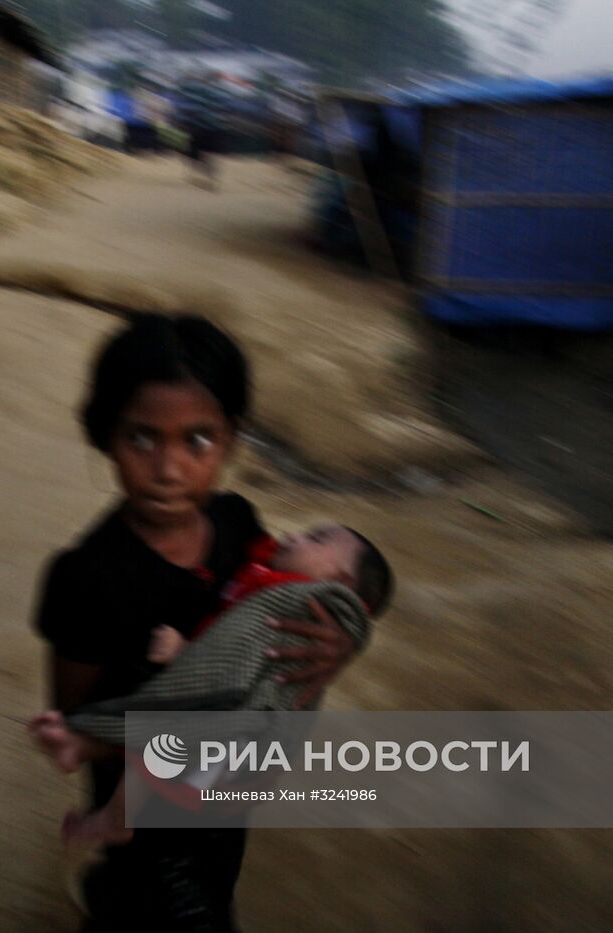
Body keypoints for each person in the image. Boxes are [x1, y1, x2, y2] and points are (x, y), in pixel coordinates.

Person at [33, 313, 363, 931]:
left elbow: (289, 610)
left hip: (223, 796)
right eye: (142, 438)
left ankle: (109, 895)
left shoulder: (237, 525)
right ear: (105, 434)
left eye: (198, 440)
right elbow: (78, 721)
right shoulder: (86, 577)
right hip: (145, 818)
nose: (169, 469)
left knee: (212, 871)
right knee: (168, 905)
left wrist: (334, 648)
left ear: (232, 438)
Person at [32, 523, 394, 844]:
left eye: (314, 539)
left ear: (343, 583)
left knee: (163, 749)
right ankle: (103, 787)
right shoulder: (275, 576)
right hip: (236, 727)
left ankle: (109, 804)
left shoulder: (300, 605)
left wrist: (184, 651)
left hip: (236, 726)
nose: (293, 535)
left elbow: (239, 654)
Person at [175, 73, 231, 190]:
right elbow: (226, 111)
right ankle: (212, 178)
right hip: (217, 129)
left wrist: (181, 122)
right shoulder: (221, 94)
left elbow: (188, 109)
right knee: (209, 155)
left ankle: (197, 174)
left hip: (199, 128)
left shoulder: (196, 92)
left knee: (191, 151)